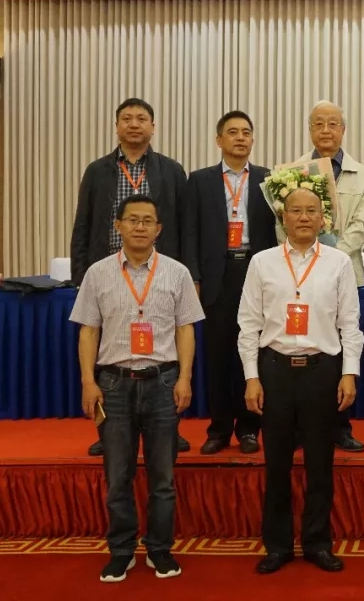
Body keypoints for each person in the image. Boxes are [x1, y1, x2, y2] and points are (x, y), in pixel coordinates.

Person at [69, 194, 205, 583]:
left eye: (148, 221)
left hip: (162, 381)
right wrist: (88, 381)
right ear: (119, 226)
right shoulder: (98, 273)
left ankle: (159, 549)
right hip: (113, 384)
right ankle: (122, 551)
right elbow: (88, 331)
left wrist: (185, 377)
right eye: (133, 219)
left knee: (163, 478)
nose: (140, 226)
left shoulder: (177, 273)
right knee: (118, 476)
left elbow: (185, 329)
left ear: (158, 229)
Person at [238, 187, 362, 575]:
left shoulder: (339, 263)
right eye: (296, 210)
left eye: (311, 211)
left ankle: (317, 543)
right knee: (276, 463)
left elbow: (350, 325)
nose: (304, 217)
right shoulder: (261, 262)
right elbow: (248, 325)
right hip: (274, 371)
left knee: (320, 463)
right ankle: (277, 546)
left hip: (321, 371)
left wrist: (349, 373)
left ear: (323, 218)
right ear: (283, 217)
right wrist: (252, 377)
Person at [70, 97, 191, 457]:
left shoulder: (171, 170)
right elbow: (83, 223)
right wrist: (80, 276)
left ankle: (168, 429)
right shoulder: (97, 171)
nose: (134, 124)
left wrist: (190, 276)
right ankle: (108, 428)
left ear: (153, 127)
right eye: (127, 118)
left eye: (141, 119)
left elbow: (184, 227)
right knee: (109, 356)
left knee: (165, 354)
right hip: (110, 274)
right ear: (117, 126)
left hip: (159, 274)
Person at [183, 111, 277, 456]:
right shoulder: (200, 180)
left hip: (256, 271)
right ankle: (220, 429)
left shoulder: (270, 179)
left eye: (246, 132)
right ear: (219, 140)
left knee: (254, 351)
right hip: (216, 275)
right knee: (219, 354)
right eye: (233, 132)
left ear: (252, 139)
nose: (240, 138)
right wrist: (193, 276)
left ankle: (250, 428)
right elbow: (190, 231)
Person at [290, 100, 364, 453]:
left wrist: (331, 258)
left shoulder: (362, 174)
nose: (326, 130)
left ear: (343, 130)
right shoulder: (293, 172)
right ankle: (300, 426)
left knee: (342, 348)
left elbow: (361, 226)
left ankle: (340, 426)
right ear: (310, 129)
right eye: (319, 124)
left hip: (346, 274)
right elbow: (285, 222)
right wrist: (311, 256)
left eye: (333, 124)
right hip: (300, 274)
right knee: (304, 347)